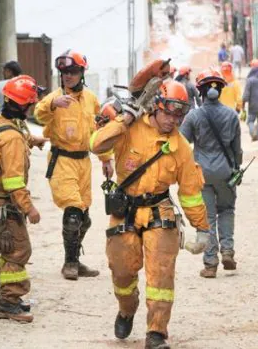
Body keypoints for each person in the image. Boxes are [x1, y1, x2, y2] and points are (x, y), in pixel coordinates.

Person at [90, 60, 212, 348]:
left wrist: (202, 227)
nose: (173, 121)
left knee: (161, 275)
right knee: (122, 271)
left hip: (160, 211)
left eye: (179, 116)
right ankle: (126, 308)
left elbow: (191, 191)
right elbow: (96, 145)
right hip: (126, 211)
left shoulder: (180, 145)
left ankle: (156, 332)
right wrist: (123, 120)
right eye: (169, 113)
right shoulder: (130, 129)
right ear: (156, 106)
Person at [34, 49, 113, 280]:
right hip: (62, 161)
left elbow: (100, 132)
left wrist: (107, 159)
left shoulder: (91, 100)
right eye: (64, 72)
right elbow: (39, 114)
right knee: (73, 212)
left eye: (73, 71)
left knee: (84, 217)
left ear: (81, 73)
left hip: (83, 163)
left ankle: (75, 260)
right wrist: (53, 104)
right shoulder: (55, 97)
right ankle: (69, 263)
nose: (68, 76)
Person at [0, 75, 47, 322]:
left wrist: (35, 140)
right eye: (30, 104)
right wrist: (29, 209)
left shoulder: (3, 120)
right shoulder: (12, 140)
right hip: (4, 201)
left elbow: (16, 133)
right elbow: (14, 182)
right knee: (18, 250)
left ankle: (11, 298)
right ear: (23, 106)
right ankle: (8, 303)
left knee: (9, 247)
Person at [180, 68, 243, 279]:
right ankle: (227, 251)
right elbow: (237, 150)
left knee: (207, 218)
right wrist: (237, 169)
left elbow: (181, 144)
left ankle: (210, 263)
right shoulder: (232, 115)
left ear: (201, 92)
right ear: (220, 90)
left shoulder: (193, 116)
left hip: (202, 173)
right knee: (226, 210)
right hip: (226, 171)